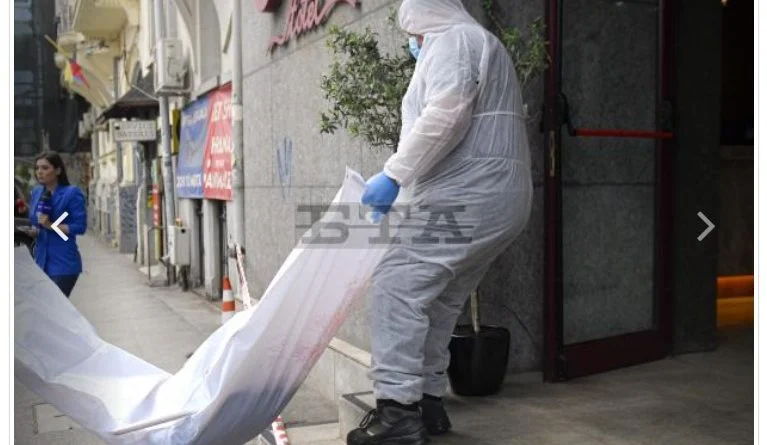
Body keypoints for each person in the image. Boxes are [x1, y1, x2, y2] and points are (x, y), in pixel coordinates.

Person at [349, 0, 533, 444]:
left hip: (469, 195)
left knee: (395, 284)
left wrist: (394, 175)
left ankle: (397, 413)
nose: (413, 44)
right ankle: (428, 403)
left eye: (414, 35)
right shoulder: (479, 42)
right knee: (441, 300)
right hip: (496, 197)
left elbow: (446, 114)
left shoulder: (454, 41)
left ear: (424, 18)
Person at [24, 152, 88, 298]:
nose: (39, 172)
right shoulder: (37, 192)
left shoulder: (71, 193)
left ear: (58, 170)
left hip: (63, 263)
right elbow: (37, 223)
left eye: (45, 168)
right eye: (37, 168)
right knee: (45, 308)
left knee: (54, 307)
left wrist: (50, 225)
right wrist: (33, 231)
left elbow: (80, 227)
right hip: (41, 261)